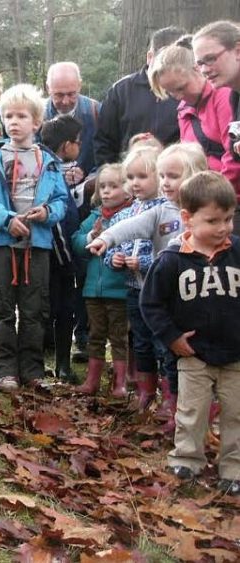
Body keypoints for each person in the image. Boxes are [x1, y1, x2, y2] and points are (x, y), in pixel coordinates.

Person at [87, 143, 207, 431]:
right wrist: (108, 239)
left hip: (184, 298)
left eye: (173, 176)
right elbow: (133, 226)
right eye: (163, 175)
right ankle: (150, 395)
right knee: (144, 344)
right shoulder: (161, 210)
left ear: (195, 177)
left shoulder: (200, 213)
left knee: (173, 350)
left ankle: (176, 403)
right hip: (148, 294)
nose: (166, 182)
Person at [140, 171, 240, 496]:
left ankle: (234, 468)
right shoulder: (171, 261)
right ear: (187, 218)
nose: (223, 227)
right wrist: (171, 337)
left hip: (235, 353)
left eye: (229, 218)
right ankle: (187, 460)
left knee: (236, 414)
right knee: (191, 412)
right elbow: (151, 303)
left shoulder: (237, 253)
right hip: (193, 353)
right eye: (213, 221)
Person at [0, 84, 69, 392]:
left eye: (21, 116)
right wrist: (6, 220)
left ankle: (32, 370)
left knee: (34, 310)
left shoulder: (50, 161)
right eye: (8, 116)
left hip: (37, 245)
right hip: (1, 243)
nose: (13, 122)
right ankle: (5, 369)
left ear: (36, 122)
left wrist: (47, 213)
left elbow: (61, 201)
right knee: (0, 307)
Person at [102, 145, 165, 411]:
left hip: (160, 292)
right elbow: (112, 244)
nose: (135, 183)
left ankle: (169, 398)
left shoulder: (167, 211)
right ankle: (145, 393)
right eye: (130, 177)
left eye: (142, 176)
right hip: (133, 290)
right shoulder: (126, 213)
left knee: (162, 343)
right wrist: (114, 259)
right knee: (140, 342)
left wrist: (146, 263)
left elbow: (171, 250)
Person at [149, 37, 240, 192]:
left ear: (197, 69)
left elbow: (234, 156)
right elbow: (188, 161)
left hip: (226, 197)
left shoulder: (223, 96)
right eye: (171, 92)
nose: (178, 97)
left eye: (181, 88)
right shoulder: (183, 110)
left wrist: (213, 196)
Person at [72, 164, 132, 396]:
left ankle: (120, 383)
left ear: (127, 190)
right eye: (103, 186)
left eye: (113, 186)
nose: (106, 191)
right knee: (95, 335)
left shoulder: (132, 216)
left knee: (118, 337)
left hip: (119, 291)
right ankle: (92, 381)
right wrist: (91, 237)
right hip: (93, 291)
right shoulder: (95, 217)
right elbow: (76, 242)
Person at [94, 26, 185, 165]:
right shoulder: (121, 91)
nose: (172, 68)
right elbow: (104, 142)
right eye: (167, 61)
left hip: (175, 176)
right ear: (150, 57)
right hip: (128, 178)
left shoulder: (189, 91)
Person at [39, 115, 82, 383]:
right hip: (57, 255)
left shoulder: (48, 163)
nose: (79, 147)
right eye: (77, 143)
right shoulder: (50, 169)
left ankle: (60, 363)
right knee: (62, 308)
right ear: (66, 145)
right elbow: (57, 218)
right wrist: (69, 260)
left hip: (54, 252)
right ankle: (61, 366)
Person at [192, 21, 240, 235]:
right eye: (199, 63)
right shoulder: (234, 97)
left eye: (210, 59)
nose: (205, 70)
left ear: (237, 50)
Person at [44, 62, 100, 180]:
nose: (65, 101)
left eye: (71, 94)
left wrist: (91, 179)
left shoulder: (96, 112)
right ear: (48, 88)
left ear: (79, 86)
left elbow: (107, 154)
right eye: (58, 95)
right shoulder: (36, 116)